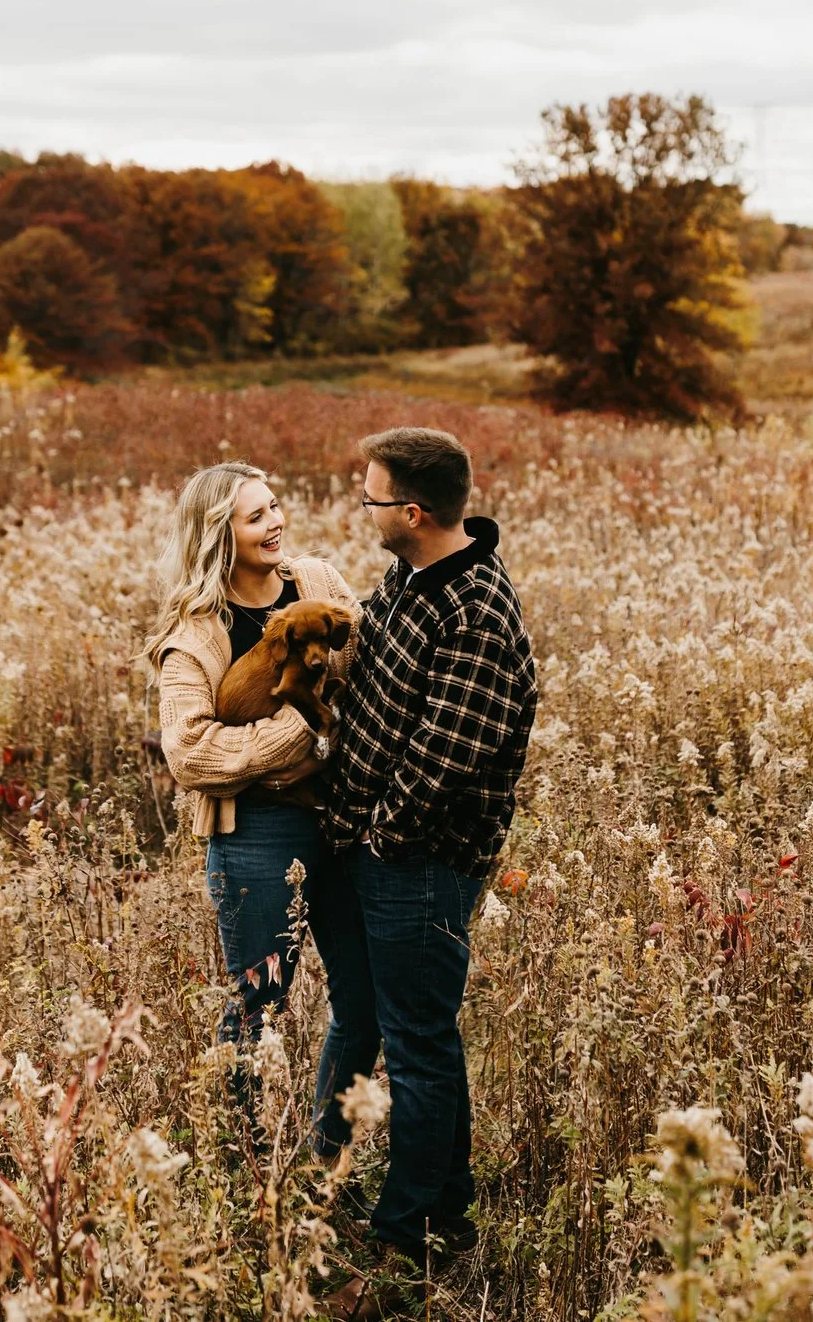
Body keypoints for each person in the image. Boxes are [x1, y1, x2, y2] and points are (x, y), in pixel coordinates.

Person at [314, 426, 540, 1280]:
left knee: (415, 1047)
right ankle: (449, 1207)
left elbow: (447, 754)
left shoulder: (475, 608)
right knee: (422, 1039)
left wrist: (379, 841)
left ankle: (402, 1239)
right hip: (377, 853)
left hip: (419, 862)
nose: (361, 507)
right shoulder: (409, 577)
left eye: (370, 496)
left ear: (412, 510)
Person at [145, 461, 366, 1118]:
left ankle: (329, 1157)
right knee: (260, 1001)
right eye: (256, 516)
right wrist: (298, 729)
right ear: (220, 535)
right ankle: (240, 1164)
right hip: (257, 835)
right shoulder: (195, 633)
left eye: (274, 507)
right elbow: (189, 752)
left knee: (365, 998)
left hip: (343, 818)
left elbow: (364, 655)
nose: (275, 523)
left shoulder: (315, 580)